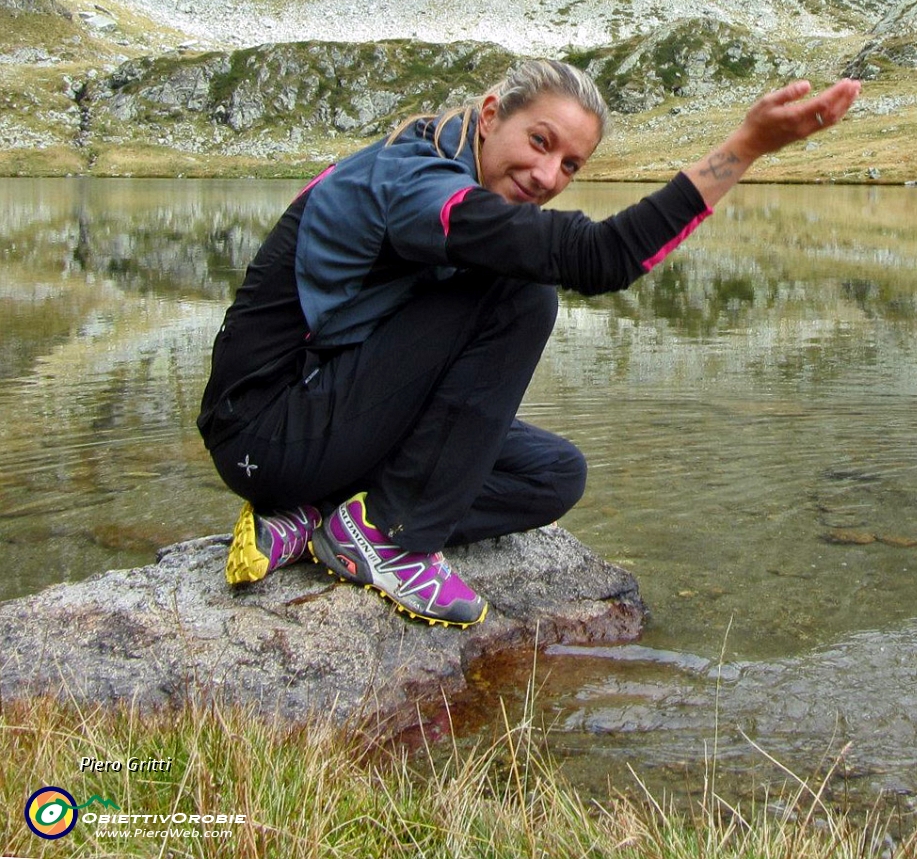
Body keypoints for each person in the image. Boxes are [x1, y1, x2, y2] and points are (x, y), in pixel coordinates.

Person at [196, 59, 860, 627]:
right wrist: (744, 147)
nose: (547, 175)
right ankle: (387, 538)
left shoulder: (450, 171)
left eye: (570, 163)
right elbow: (601, 258)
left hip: (325, 416)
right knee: (521, 290)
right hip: (266, 435)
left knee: (550, 476)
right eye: (539, 142)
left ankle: (324, 520)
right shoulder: (416, 183)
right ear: (490, 115)